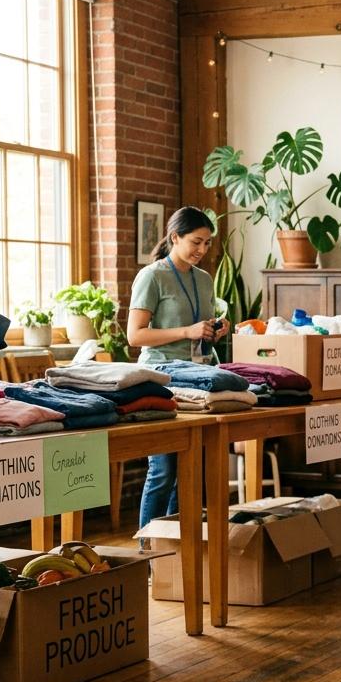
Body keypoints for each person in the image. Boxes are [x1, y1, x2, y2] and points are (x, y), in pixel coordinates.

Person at [127, 207, 228, 528]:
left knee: (189, 468)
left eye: (208, 243)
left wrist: (212, 331)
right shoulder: (153, 275)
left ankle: (175, 547)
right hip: (162, 377)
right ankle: (148, 547)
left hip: (197, 377)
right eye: (196, 242)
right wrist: (187, 331)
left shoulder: (204, 279)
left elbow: (198, 329)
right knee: (163, 470)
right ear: (174, 238)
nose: (202, 250)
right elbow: (135, 335)